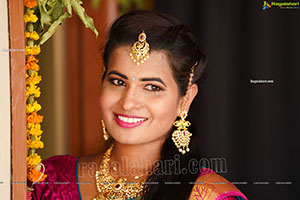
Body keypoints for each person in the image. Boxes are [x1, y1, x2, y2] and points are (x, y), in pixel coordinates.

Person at [31, 10, 247, 200]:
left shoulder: (208, 195)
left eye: (152, 87)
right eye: (118, 82)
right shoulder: (50, 182)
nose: (128, 102)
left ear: (185, 99)